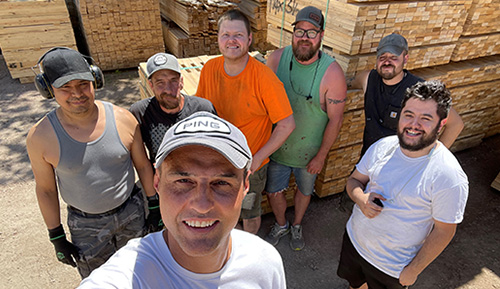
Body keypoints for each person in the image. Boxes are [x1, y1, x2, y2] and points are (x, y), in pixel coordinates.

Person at [78, 112, 287, 288]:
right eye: (184, 180)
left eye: (221, 183)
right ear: (157, 182)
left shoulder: (265, 263)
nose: (202, 205)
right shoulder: (130, 275)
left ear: (245, 186)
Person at [26, 47, 157, 278]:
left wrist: (154, 206)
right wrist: (56, 235)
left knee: (141, 271)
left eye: (83, 84)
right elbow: (46, 189)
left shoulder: (123, 119)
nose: (77, 93)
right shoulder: (40, 136)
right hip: (86, 227)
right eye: (65, 87)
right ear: (48, 90)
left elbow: (144, 166)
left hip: (132, 213)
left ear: (95, 79)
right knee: (99, 280)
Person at [337, 80, 469, 289]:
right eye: (409, 115)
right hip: (355, 244)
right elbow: (354, 180)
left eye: (425, 118)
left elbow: (444, 230)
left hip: (392, 267)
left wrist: (413, 270)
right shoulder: (383, 147)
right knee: (355, 285)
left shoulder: (448, 176)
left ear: (441, 124)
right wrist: (361, 199)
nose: (413, 124)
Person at [196, 9, 295, 234]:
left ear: (249, 39)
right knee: (222, 208)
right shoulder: (209, 69)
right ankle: (230, 244)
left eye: (238, 35)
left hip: (249, 166)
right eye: (226, 35)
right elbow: (201, 113)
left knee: (249, 211)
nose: (232, 40)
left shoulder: (264, 78)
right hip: (217, 161)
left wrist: (257, 158)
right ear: (218, 40)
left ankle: (246, 254)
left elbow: (287, 124)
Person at [263, 6, 347, 250]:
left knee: (304, 191)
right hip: (277, 148)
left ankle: (297, 224)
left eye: (312, 33)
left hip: (309, 154)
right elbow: (263, 104)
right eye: (300, 31)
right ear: (292, 33)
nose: (304, 38)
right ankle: (281, 224)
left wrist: (321, 156)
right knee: (274, 192)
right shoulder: (276, 60)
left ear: (321, 36)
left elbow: (336, 119)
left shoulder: (332, 74)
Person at [130, 53, 216, 232]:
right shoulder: (140, 113)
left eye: (173, 80)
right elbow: (141, 161)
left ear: (182, 81)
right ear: (151, 85)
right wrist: (153, 202)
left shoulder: (203, 109)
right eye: (160, 82)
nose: (168, 89)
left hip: (198, 186)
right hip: (164, 187)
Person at [347, 33, 464, 156]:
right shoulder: (368, 79)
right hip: (369, 159)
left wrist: (431, 158)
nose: (387, 62)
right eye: (382, 57)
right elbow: (345, 83)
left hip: (402, 165)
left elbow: (455, 124)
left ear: (405, 59)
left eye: (394, 57)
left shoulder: (419, 91)